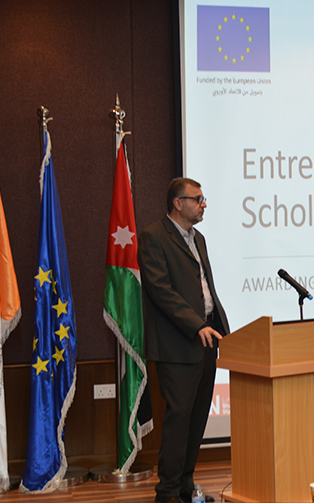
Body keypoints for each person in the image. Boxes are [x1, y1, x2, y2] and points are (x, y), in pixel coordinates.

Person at [138, 177, 230, 503]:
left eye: (203, 199)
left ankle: (186, 486)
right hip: (177, 344)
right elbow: (161, 291)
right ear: (178, 203)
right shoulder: (153, 237)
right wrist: (196, 325)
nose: (204, 204)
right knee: (179, 419)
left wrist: (219, 327)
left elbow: (205, 289)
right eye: (198, 199)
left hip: (206, 340)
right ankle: (167, 491)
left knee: (197, 417)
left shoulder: (198, 238)